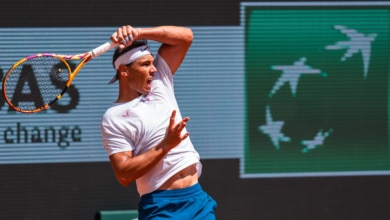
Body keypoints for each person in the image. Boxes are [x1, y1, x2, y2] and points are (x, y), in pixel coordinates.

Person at [100, 25, 217, 219]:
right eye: (145, 65)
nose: (153, 69)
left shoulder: (160, 82)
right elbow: (124, 174)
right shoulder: (114, 117)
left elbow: (186, 36)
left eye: (153, 63)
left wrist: (139, 33)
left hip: (197, 199)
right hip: (161, 206)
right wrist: (165, 145)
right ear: (124, 70)